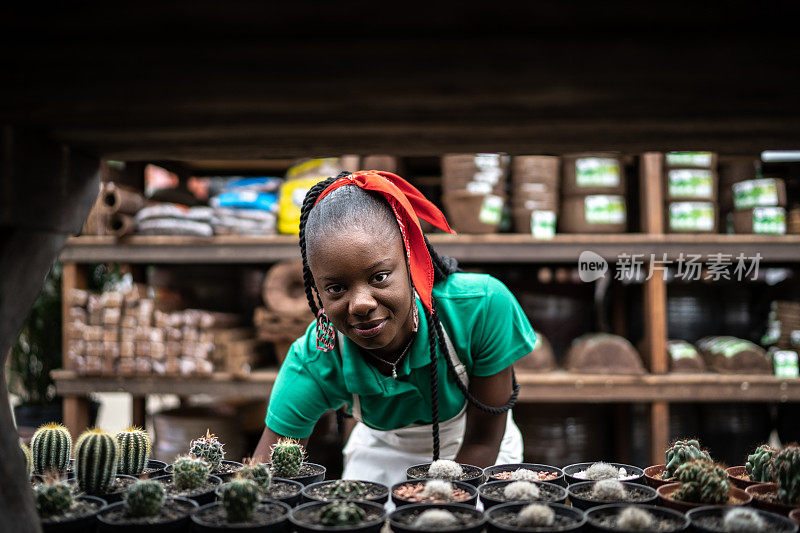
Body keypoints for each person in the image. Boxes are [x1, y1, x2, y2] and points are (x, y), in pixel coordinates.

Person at [253, 170, 536, 486]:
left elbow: (483, 441)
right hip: (380, 456)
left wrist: (441, 502)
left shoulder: (479, 307)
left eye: (379, 277)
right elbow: (270, 474)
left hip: (476, 454)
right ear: (317, 291)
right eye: (335, 288)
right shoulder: (318, 356)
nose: (360, 304)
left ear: (411, 261)